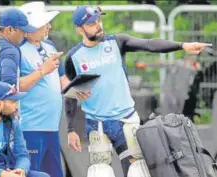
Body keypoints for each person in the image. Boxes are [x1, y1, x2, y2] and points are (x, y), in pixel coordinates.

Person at [64, 5, 212, 177]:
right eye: (91, 24)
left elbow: (149, 44)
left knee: (137, 172)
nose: (98, 25)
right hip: (97, 124)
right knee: (100, 172)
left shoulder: (117, 42)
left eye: (98, 20)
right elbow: (70, 95)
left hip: (125, 120)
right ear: (79, 29)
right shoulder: (73, 58)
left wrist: (183, 45)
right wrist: (70, 129)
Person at [17, 2, 89, 176]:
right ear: (31, 26)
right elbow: (15, 85)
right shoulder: (17, 51)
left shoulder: (49, 47)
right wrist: (42, 70)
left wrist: (78, 90)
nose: (49, 26)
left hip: (52, 128)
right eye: (44, 23)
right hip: (29, 128)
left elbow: (63, 80)